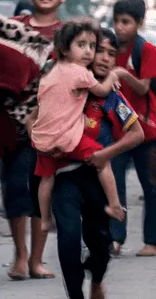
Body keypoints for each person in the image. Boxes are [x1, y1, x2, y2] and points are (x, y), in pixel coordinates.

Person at [53, 28, 144, 299]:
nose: (104, 58)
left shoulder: (112, 97)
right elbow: (34, 119)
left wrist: (107, 154)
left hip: (98, 176)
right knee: (68, 237)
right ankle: (75, 293)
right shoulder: (67, 84)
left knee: (101, 243)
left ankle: (97, 279)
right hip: (65, 175)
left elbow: (137, 133)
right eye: (98, 50)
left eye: (111, 54)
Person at [0, 0, 68, 281]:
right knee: (15, 187)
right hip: (13, 122)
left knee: (43, 190)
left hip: (52, 124)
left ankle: (36, 260)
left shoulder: (69, 33)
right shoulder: (13, 27)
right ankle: (19, 255)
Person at [28, 20, 125, 232]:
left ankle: (45, 219)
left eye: (91, 46)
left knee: (46, 177)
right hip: (67, 139)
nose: (88, 52)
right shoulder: (80, 73)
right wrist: (113, 75)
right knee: (103, 161)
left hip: (42, 140)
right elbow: (101, 91)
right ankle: (115, 204)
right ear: (64, 49)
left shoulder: (51, 71)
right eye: (81, 45)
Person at [109, 0, 156, 257]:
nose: (120, 27)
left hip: (147, 130)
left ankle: (152, 241)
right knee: (114, 187)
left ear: (139, 23)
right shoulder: (109, 49)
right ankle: (115, 238)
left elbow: (143, 87)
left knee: (151, 186)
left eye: (126, 22)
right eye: (116, 21)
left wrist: (124, 73)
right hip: (118, 131)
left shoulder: (146, 50)